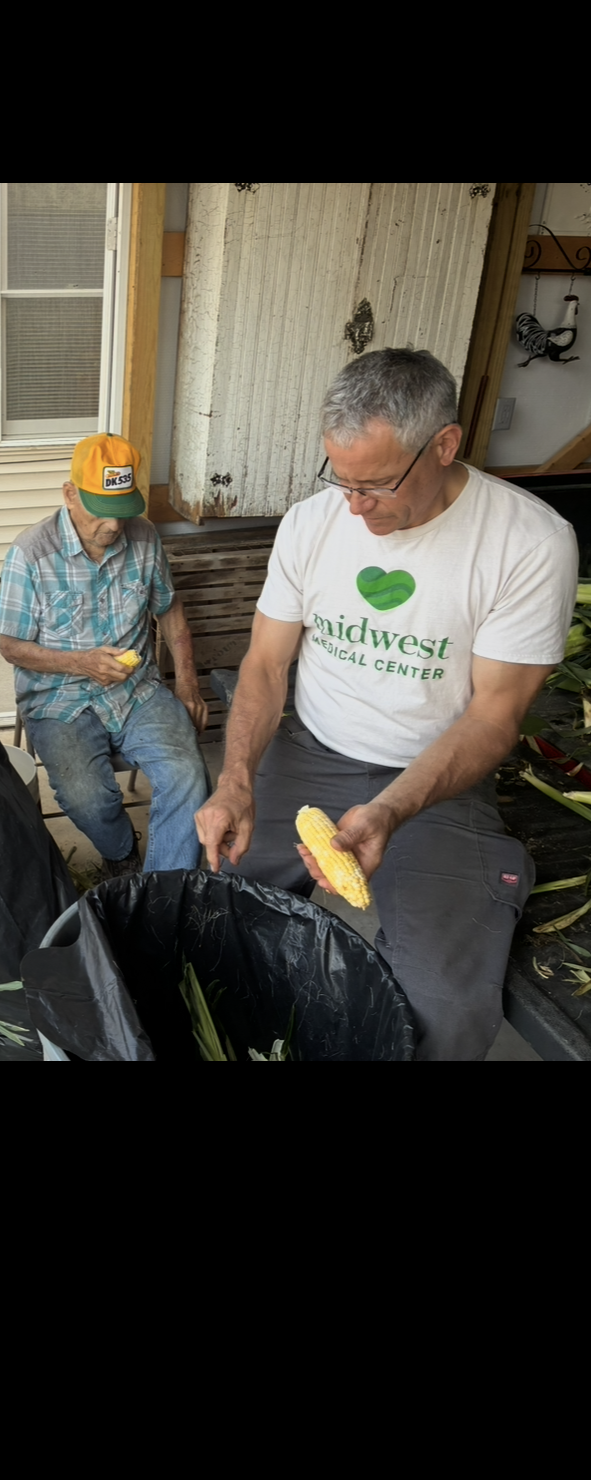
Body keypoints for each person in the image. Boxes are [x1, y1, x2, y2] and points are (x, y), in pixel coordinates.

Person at [196, 349, 579, 1062]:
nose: (354, 505)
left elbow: (495, 715)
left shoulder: (529, 543)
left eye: (375, 483)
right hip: (310, 755)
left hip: (438, 781)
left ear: (445, 445)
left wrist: (393, 809)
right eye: (341, 480)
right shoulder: (311, 524)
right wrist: (236, 779)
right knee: (207, 921)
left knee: (444, 1007)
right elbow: (266, 665)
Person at [0, 434, 210, 877]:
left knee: (187, 774)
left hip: (137, 692)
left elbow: (169, 610)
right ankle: (122, 856)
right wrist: (80, 663)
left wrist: (188, 684)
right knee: (86, 798)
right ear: (70, 494)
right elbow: (10, 647)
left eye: (122, 511)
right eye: (101, 511)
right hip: (59, 698)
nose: (113, 526)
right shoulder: (31, 554)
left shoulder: (144, 537)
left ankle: (164, 892)